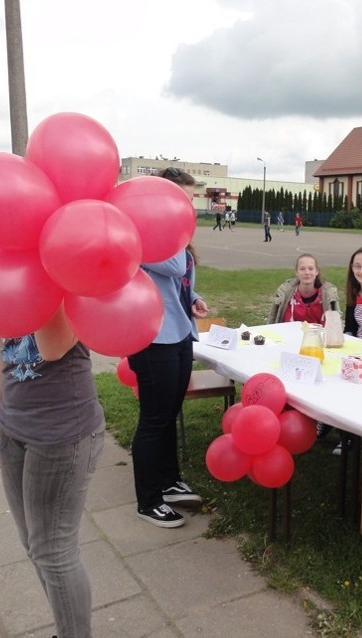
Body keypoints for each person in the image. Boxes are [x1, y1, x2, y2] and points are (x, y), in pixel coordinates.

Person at [0, 306, 105, 637]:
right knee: (34, 545)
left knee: (53, 551)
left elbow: (51, 349)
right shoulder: (4, 284)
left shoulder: (67, 286)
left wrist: (37, 282)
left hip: (62, 436)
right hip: (13, 428)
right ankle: (67, 627)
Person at [129, 167, 209, 528]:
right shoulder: (144, 235)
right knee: (154, 419)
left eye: (190, 200)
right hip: (152, 338)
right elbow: (175, 264)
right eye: (182, 199)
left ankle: (169, 481)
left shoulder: (175, 234)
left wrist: (194, 298)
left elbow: (182, 277)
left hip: (178, 333)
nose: (187, 207)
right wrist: (177, 230)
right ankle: (148, 500)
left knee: (170, 412)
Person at [268, 253, 340, 324]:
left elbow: (337, 325)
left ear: (317, 271)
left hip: (320, 335)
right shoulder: (284, 293)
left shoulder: (328, 294)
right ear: (296, 272)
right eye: (302, 269)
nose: (307, 272)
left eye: (311, 268)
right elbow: (272, 320)